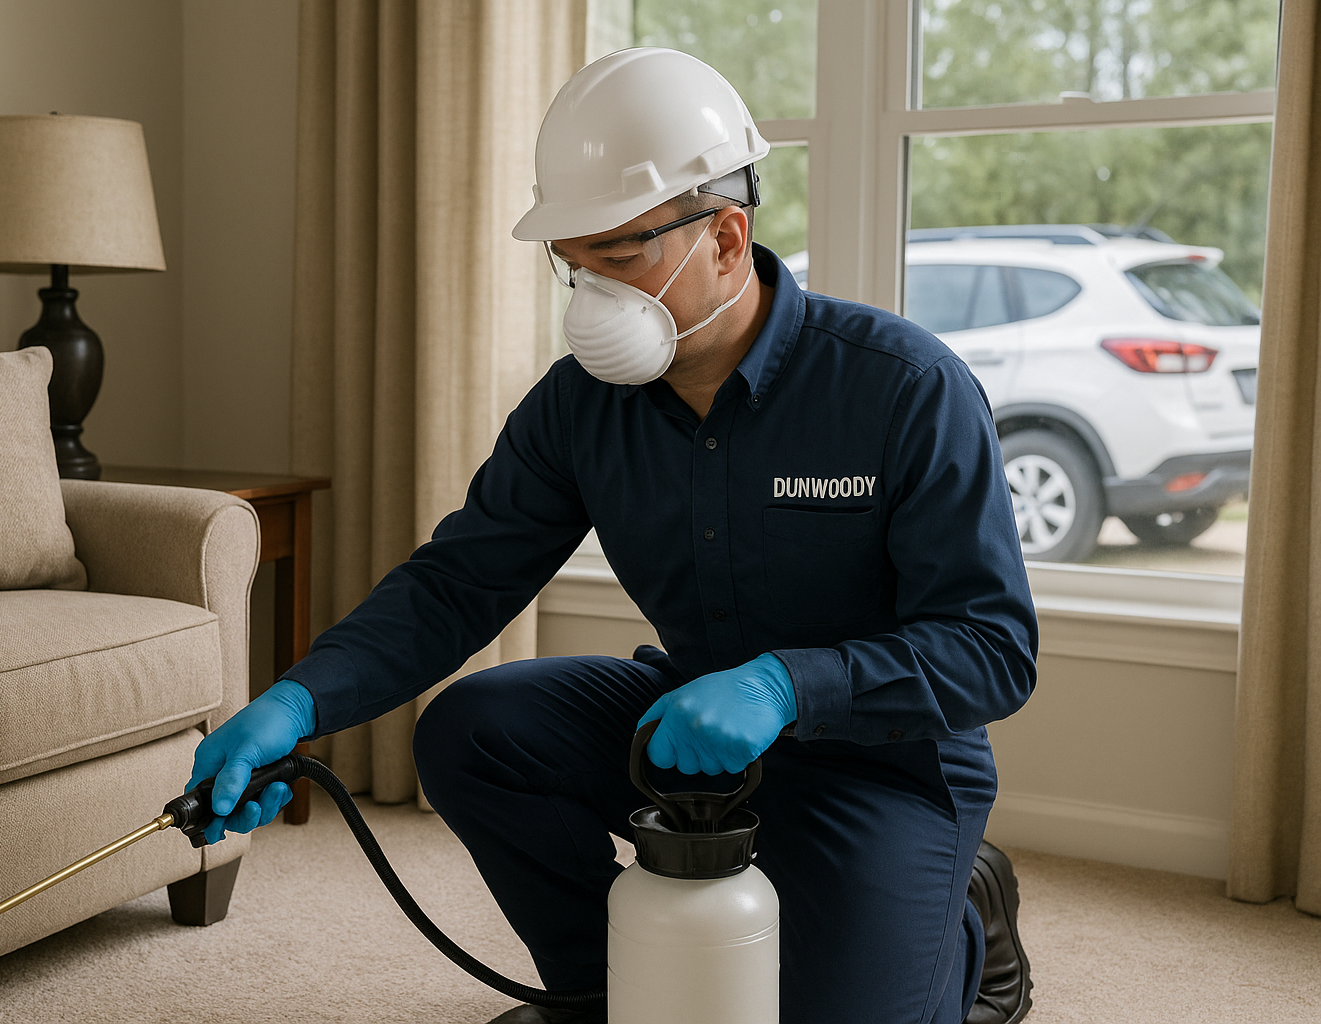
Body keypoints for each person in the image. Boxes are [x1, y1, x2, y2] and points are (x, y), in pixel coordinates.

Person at [186, 47, 1038, 1024]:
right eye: (572, 262)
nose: (591, 295)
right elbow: (456, 583)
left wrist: (784, 685)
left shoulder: (904, 388)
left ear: (725, 235)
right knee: (476, 729)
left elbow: (993, 650)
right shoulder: (580, 407)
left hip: (882, 766)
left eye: (621, 255)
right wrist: (294, 704)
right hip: (689, 723)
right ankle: (605, 985)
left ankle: (967, 911)